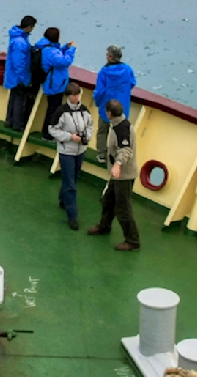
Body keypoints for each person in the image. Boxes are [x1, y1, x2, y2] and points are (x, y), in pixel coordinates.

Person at [87, 99, 140, 251]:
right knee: (108, 200)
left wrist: (117, 165)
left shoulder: (121, 130)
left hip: (124, 176)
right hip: (117, 175)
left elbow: (125, 150)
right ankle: (104, 226)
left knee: (123, 209)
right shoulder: (118, 124)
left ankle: (133, 241)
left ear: (109, 113)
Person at [47, 82, 93, 231]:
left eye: (78, 94)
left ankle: (62, 199)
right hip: (66, 151)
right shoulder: (61, 112)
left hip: (80, 150)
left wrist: (87, 137)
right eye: (74, 95)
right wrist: (69, 137)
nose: (77, 97)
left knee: (73, 177)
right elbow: (52, 129)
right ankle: (72, 216)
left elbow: (90, 126)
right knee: (70, 184)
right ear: (68, 96)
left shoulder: (85, 111)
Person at [94, 46, 137, 162]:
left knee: (103, 130)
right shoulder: (127, 69)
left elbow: (99, 91)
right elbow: (132, 82)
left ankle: (102, 154)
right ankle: (117, 155)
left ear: (110, 57)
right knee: (119, 132)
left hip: (106, 107)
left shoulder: (104, 71)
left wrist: (98, 103)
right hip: (122, 106)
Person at [3, 16, 38, 131]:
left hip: (13, 75)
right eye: (32, 27)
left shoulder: (18, 37)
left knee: (13, 98)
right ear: (28, 27)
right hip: (18, 77)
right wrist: (25, 79)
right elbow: (19, 64)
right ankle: (17, 125)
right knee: (19, 101)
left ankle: (9, 121)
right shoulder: (20, 42)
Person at [39, 28, 77, 130]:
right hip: (55, 85)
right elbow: (65, 61)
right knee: (53, 110)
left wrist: (65, 48)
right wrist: (72, 49)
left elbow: (58, 55)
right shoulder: (50, 51)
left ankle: (49, 132)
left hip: (52, 83)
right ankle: (48, 134)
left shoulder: (45, 47)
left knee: (53, 108)